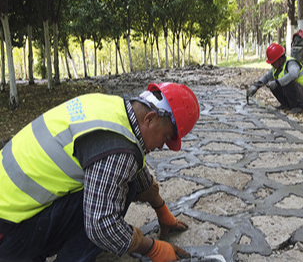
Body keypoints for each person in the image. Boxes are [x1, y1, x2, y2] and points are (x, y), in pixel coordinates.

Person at [0, 82, 200, 262]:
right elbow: (101, 226)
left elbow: (132, 169)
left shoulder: (110, 108)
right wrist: (153, 248)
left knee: (120, 184)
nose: (162, 146)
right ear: (150, 119)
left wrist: (161, 210)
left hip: (9, 212)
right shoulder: (118, 148)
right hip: (8, 235)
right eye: (165, 137)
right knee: (108, 206)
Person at [246, 43, 303, 114]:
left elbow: (294, 74)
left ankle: (297, 106)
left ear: (281, 59)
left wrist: (277, 83)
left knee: (286, 83)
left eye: (273, 62)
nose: (272, 64)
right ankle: (286, 104)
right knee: (272, 83)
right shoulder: (276, 67)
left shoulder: (291, 63)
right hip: (298, 91)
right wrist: (256, 86)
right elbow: (266, 77)